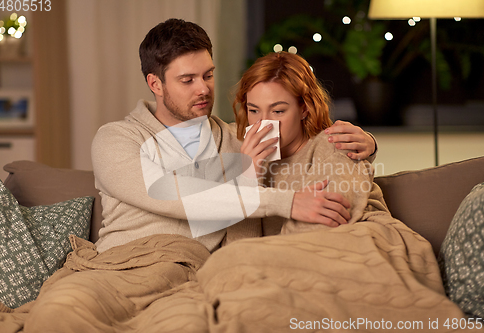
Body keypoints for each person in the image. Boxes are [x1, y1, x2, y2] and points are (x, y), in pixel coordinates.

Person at [91, 18, 378, 253]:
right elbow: (170, 195)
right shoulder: (117, 139)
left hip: (194, 274)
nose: (203, 89)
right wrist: (287, 201)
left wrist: (366, 144)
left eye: (208, 75)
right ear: (155, 83)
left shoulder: (237, 139)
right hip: (121, 263)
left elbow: (299, 151)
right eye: (187, 80)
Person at [233, 51, 387, 235]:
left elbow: (326, 224)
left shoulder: (331, 145)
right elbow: (240, 247)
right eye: (254, 110)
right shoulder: (247, 158)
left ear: (304, 109)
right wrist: (248, 180)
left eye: (278, 111)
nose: (264, 124)